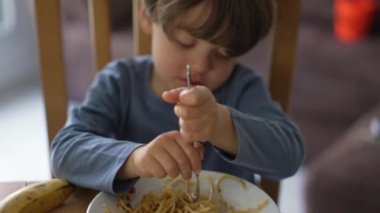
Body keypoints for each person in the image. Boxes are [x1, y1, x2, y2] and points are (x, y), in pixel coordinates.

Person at [51, 0, 305, 194]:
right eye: (185, 42)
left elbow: (289, 156)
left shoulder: (242, 88)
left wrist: (220, 124)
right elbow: (65, 152)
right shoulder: (119, 83)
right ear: (146, 15)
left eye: (224, 53)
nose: (201, 65)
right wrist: (135, 159)